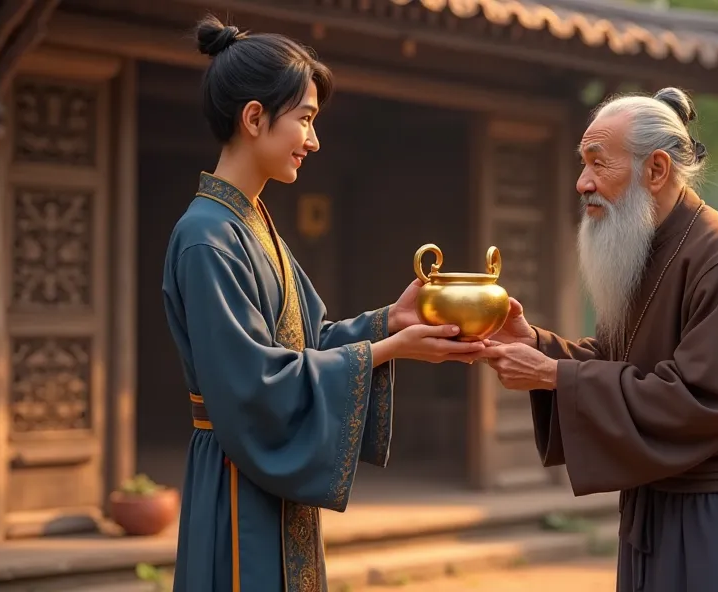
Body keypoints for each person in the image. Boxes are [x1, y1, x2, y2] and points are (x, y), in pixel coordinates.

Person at [162, 16, 487, 592]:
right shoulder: (206, 237)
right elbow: (254, 383)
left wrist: (393, 320)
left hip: (266, 476)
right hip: (238, 478)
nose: (314, 141)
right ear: (255, 117)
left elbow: (309, 342)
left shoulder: (252, 224)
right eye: (306, 120)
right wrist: (391, 348)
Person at [479, 87, 718, 591]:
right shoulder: (646, 244)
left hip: (713, 516)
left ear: (657, 170)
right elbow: (613, 358)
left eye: (599, 164)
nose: (582, 183)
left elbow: (701, 398)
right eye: (583, 164)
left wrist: (557, 376)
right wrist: (536, 344)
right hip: (654, 506)